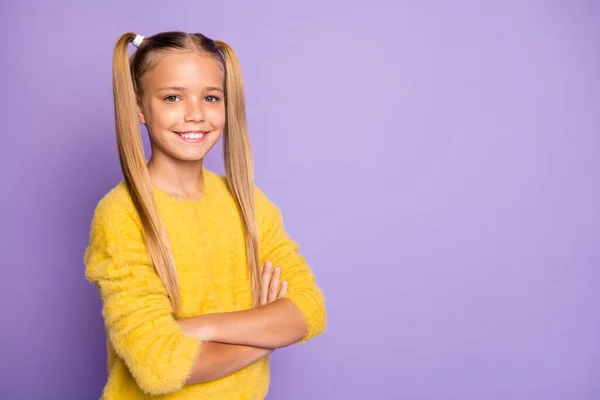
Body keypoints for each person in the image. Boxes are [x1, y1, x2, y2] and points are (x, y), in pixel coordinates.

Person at [83, 31, 326, 399]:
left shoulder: (248, 203)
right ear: (139, 108)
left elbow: (308, 312)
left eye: (211, 97)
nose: (195, 114)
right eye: (172, 97)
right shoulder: (120, 215)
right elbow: (160, 367)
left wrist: (195, 328)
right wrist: (264, 335)